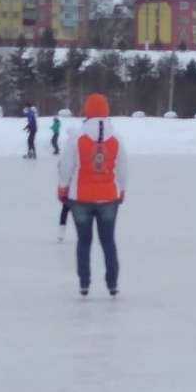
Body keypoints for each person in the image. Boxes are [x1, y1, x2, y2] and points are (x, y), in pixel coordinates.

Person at [57, 93, 127, 296]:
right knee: (108, 241)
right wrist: (121, 190)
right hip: (109, 198)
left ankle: (84, 283)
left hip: (80, 198)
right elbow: (122, 169)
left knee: (84, 242)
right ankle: (112, 284)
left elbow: (66, 167)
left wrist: (63, 187)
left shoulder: (77, 137)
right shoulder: (116, 138)